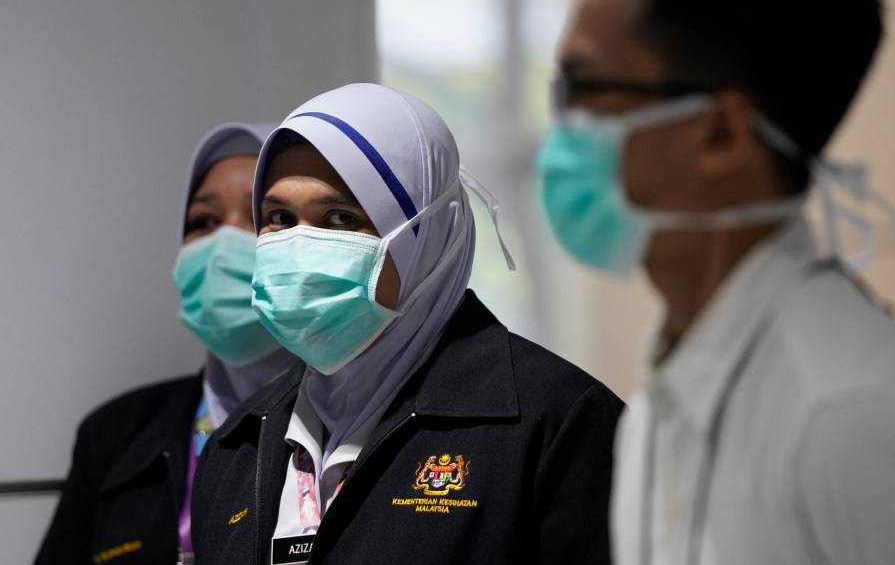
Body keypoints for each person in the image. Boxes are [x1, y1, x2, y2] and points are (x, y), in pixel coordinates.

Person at [535, 0, 895, 565]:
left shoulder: (848, 417)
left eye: (583, 88)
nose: (559, 125)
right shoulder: (658, 403)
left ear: (721, 134)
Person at [191, 82, 624, 564]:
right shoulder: (238, 443)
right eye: (279, 217)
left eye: (339, 218)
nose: (299, 247)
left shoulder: (557, 423)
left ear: (429, 236)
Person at [36, 122, 300, 565]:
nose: (222, 244)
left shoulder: (352, 429)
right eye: (204, 222)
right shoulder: (117, 435)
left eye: (263, 218)